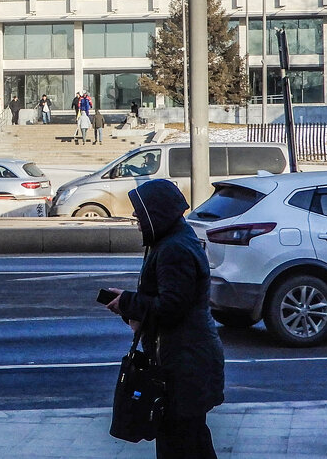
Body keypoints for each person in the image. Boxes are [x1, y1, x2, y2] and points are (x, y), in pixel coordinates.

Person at [103, 179, 224, 458]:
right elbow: (167, 301)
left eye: (140, 213)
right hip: (186, 360)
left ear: (156, 214)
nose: (136, 218)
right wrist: (130, 307)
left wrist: (128, 303)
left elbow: (172, 307)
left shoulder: (174, 249)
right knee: (191, 441)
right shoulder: (172, 241)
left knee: (180, 441)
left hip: (184, 364)